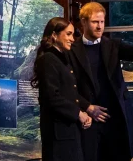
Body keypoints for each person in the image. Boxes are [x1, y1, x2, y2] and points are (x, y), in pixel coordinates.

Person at [67, 2, 133, 161]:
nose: (100, 26)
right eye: (95, 22)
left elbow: (132, 51)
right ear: (84, 22)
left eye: (102, 22)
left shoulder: (112, 45)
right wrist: (86, 106)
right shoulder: (72, 50)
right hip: (90, 118)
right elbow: (68, 87)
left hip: (115, 116)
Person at [31, 17, 92, 161]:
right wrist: (78, 113)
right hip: (58, 135)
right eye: (68, 34)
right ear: (54, 35)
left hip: (69, 132)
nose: (72, 39)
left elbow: (70, 94)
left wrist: (86, 109)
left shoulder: (61, 59)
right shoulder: (48, 59)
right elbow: (52, 97)